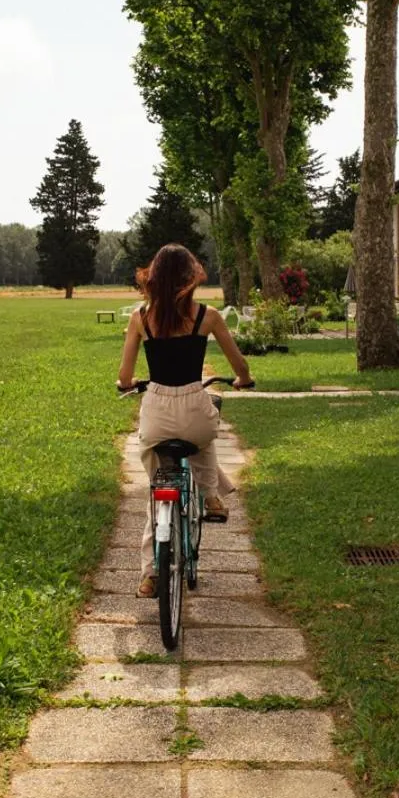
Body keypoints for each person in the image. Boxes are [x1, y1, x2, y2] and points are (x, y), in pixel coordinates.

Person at [117, 244, 254, 598]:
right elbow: (240, 366)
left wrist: (127, 385)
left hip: (157, 413)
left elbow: (125, 375)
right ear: (190, 279)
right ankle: (210, 494)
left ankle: (150, 575)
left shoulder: (140, 318)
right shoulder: (207, 317)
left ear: (153, 279)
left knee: (158, 489)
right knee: (205, 432)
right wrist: (242, 379)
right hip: (195, 403)